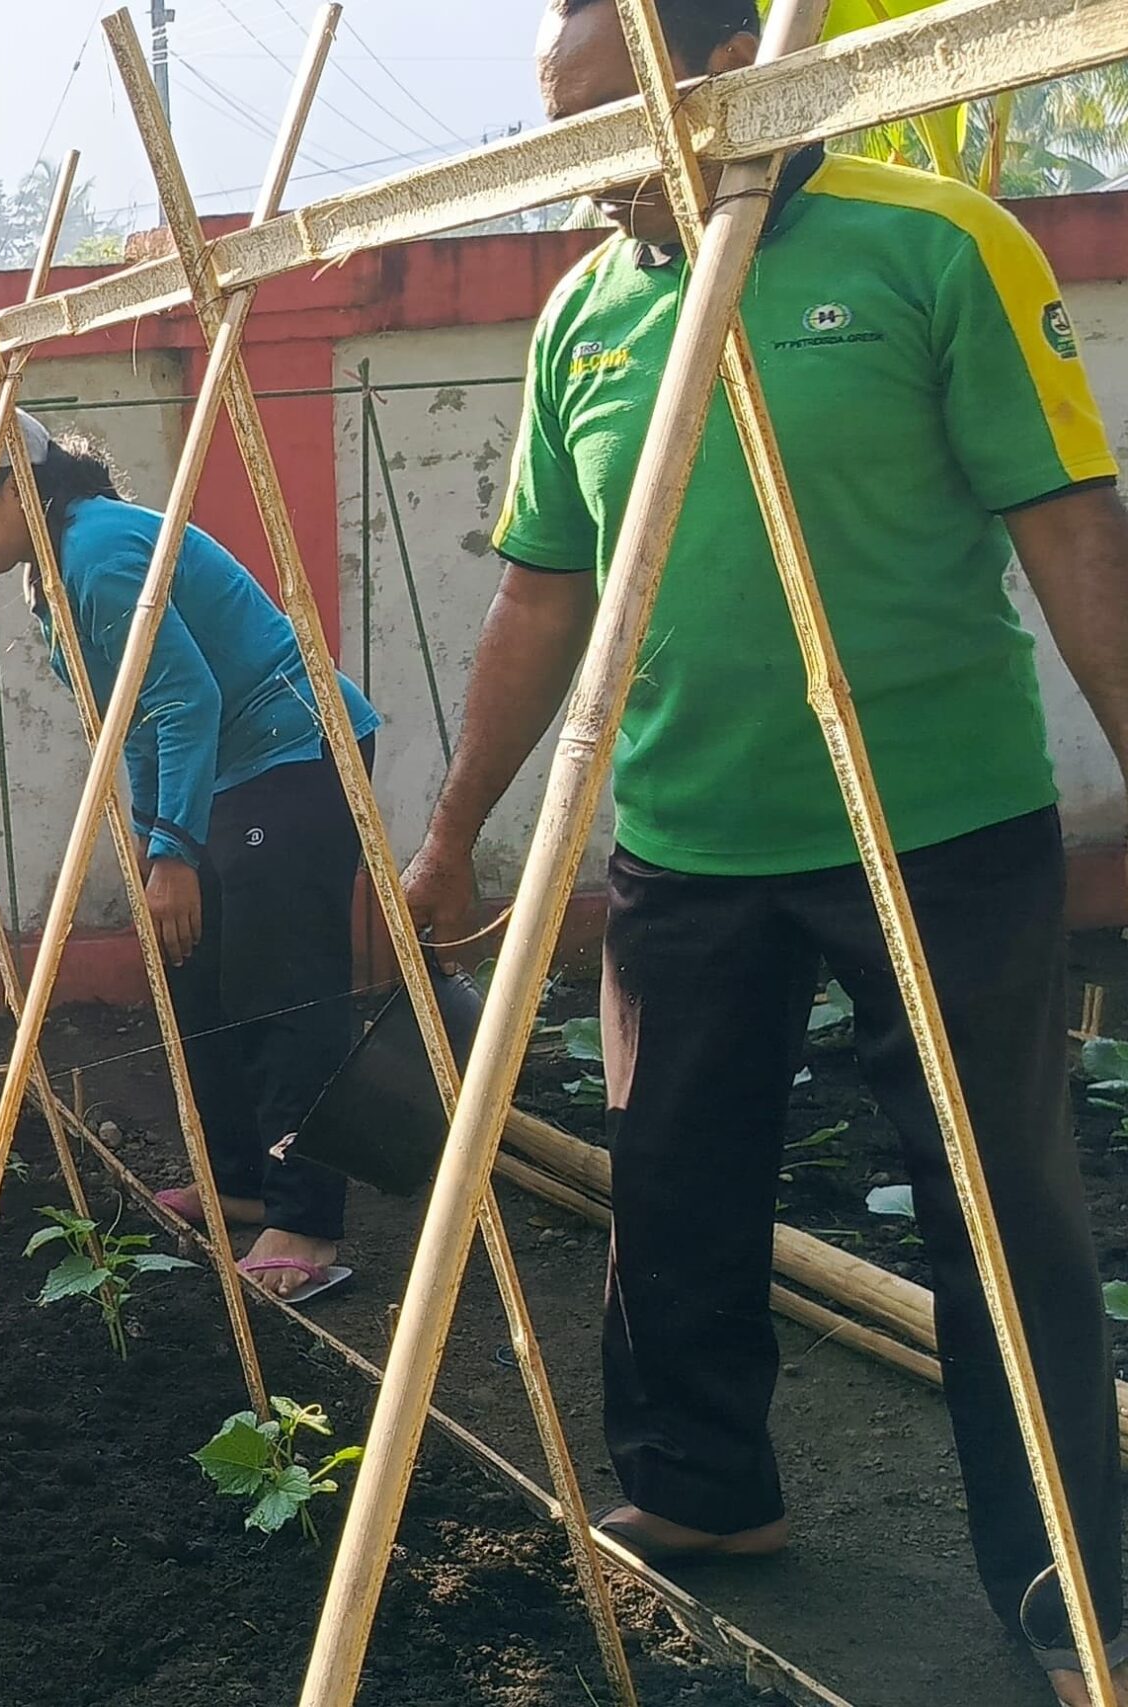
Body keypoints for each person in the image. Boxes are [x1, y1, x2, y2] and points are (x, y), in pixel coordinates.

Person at [399, 1, 1128, 1698]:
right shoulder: (585, 311)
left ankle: (1061, 1570)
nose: (585, 181)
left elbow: (1070, 523)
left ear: (720, 77)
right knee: (672, 1184)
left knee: (995, 1197)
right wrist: (454, 835)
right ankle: (706, 1490)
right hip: (684, 837)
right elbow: (539, 590)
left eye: (600, 126)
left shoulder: (934, 244)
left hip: (934, 830)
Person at [0, 404, 385, 1300]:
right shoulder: (55, 568)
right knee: (200, 976)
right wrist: (163, 845)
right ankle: (239, 1179)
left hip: (295, 754)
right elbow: (138, 718)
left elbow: (185, 701)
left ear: (17, 485)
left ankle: (305, 1225)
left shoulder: (99, 555)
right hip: (233, 770)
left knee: (281, 988)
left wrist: (175, 851)